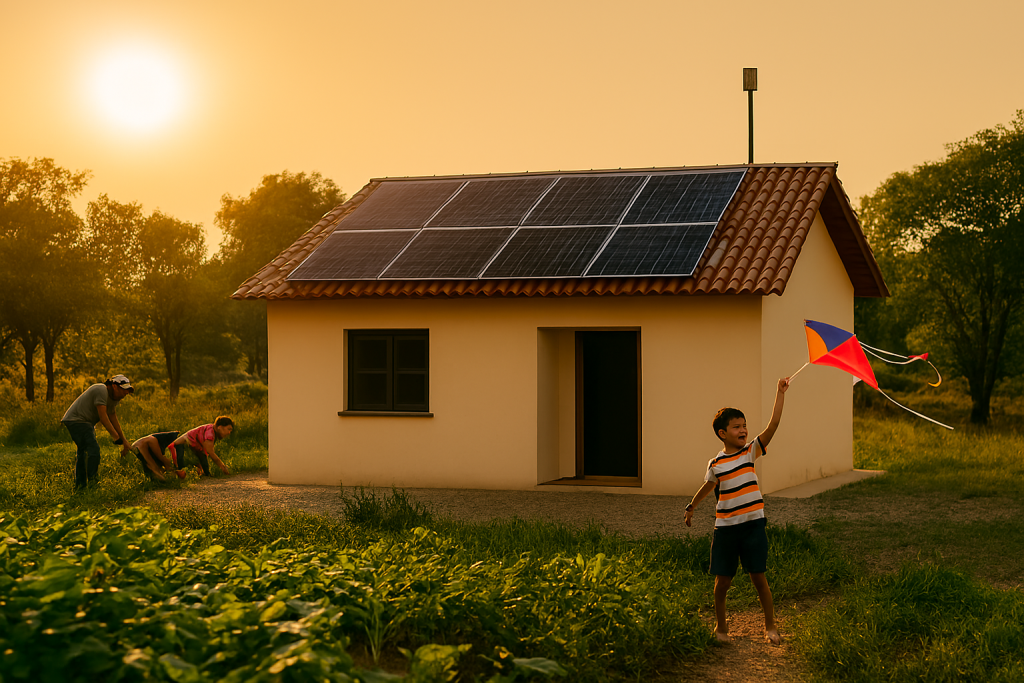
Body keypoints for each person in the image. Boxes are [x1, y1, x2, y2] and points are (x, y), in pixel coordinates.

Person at [684, 377, 790, 645]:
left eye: (744, 426)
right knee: (722, 582)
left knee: (759, 578)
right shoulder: (716, 463)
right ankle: (721, 628)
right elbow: (707, 487)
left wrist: (780, 393)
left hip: (753, 526)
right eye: (737, 427)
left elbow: (773, 425)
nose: (743, 430)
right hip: (726, 530)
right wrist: (692, 506)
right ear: (723, 433)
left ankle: (770, 626)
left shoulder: (750, 451)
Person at [61, 375, 134, 490]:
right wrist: (115, 437)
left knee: (83, 452)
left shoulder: (114, 398)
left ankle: (81, 486)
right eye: (124, 389)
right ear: (114, 386)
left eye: (128, 390)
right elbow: (103, 417)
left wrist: (124, 441)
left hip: (87, 423)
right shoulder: (101, 389)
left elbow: (113, 417)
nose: (126, 393)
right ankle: (92, 483)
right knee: (93, 450)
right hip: (77, 420)